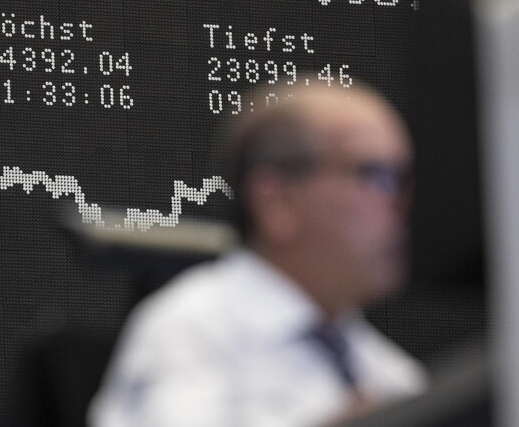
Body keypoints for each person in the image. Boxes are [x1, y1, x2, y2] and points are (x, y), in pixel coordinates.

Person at [88, 83, 427, 427]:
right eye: (379, 176)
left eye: (406, 181)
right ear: (277, 201)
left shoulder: (392, 374)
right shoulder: (189, 332)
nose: (402, 205)